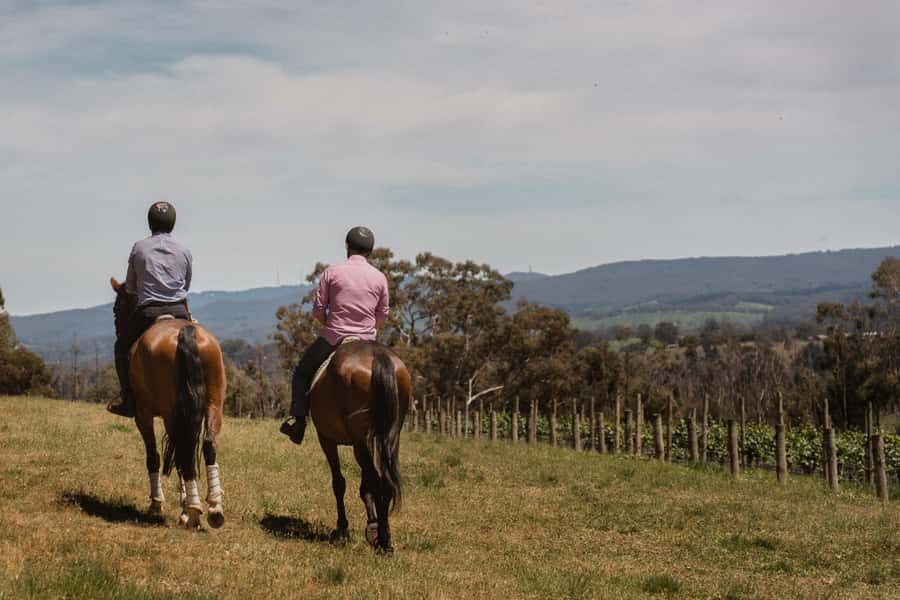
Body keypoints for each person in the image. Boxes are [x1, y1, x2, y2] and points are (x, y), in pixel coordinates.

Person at [280, 226, 389, 444]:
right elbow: (382, 315)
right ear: (371, 250)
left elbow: (318, 311)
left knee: (302, 372)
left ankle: (298, 422)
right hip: (367, 340)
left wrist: (330, 324)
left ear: (347, 247)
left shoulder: (332, 272)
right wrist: (370, 330)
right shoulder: (379, 278)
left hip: (334, 338)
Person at [108, 201, 192, 418]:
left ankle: (127, 398)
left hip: (149, 312)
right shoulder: (184, 250)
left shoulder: (139, 247)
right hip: (180, 311)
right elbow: (186, 285)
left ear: (150, 223)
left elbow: (131, 287)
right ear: (173, 223)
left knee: (121, 347)